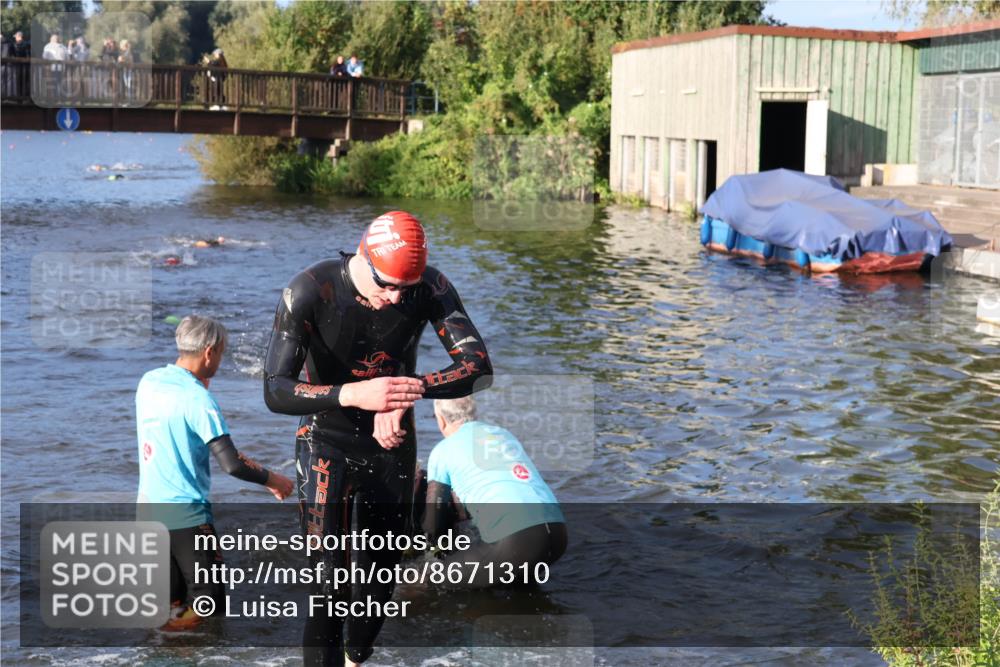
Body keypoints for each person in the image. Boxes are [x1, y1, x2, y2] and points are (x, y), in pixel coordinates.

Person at [263, 210, 492, 666]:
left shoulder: (430, 287)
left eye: (404, 289)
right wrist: (356, 393)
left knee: (378, 578)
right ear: (362, 256)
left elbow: (478, 367)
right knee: (329, 585)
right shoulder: (309, 289)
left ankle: (355, 660)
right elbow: (275, 388)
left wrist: (406, 392)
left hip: (390, 445)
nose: (394, 297)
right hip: (324, 440)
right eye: (385, 284)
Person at [136, 315, 294, 630]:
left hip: (147, 513)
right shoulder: (199, 400)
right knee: (208, 610)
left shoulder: (149, 381)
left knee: (169, 606)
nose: (220, 361)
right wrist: (274, 480)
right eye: (220, 353)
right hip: (187, 519)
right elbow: (231, 463)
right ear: (209, 352)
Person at [421, 396, 567, 587]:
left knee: (427, 579)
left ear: (440, 419)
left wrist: (433, 550)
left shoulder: (443, 450)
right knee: (516, 583)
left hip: (517, 541)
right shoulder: (503, 434)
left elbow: (433, 523)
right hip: (558, 534)